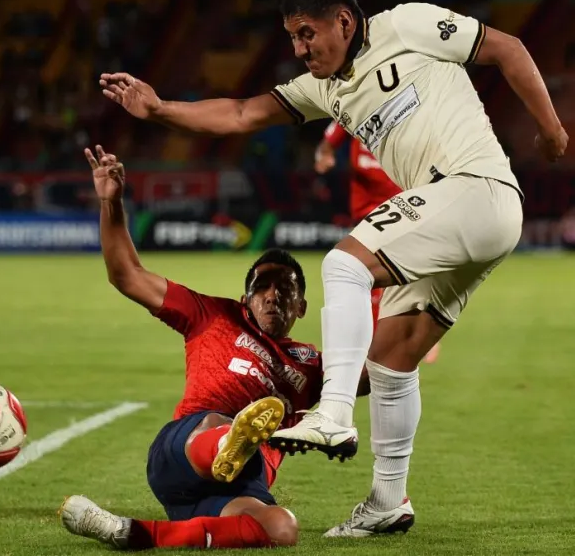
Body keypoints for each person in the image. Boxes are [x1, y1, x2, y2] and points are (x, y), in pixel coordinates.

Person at [98, 0, 566, 536]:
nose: (298, 48)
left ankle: (333, 413)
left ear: (343, 21)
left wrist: (552, 130)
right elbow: (243, 114)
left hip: (473, 186)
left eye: (306, 34)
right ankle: (388, 500)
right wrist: (157, 110)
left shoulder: (407, 24)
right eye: (292, 38)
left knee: (343, 263)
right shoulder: (324, 88)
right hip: (462, 216)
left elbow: (505, 48)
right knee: (391, 360)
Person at [60, 146, 370, 550]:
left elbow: (376, 374)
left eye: (286, 289)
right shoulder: (211, 314)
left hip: (243, 481)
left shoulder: (311, 364)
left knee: (281, 528)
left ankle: (129, 531)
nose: (272, 296)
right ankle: (229, 441)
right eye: (262, 287)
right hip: (183, 450)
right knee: (217, 423)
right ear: (246, 298)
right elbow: (127, 274)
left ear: (302, 307)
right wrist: (111, 202)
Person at [314, 121, 440, 363]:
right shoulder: (354, 112)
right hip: (366, 211)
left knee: (406, 275)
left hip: (403, 206)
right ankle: (377, 344)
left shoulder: (410, 117)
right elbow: (326, 145)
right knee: (368, 277)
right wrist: (325, 156)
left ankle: (421, 331)